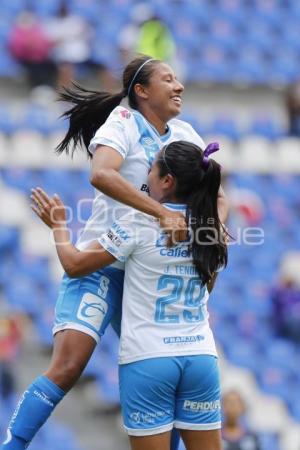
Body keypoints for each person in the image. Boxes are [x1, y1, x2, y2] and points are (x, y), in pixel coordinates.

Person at [0, 55, 228, 450]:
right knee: (68, 367)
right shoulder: (122, 124)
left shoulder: (186, 132)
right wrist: (161, 213)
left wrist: (213, 230)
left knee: (165, 365)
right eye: (169, 80)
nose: (180, 86)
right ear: (141, 91)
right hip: (103, 261)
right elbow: (100, 174)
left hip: (146, 268)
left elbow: (216, 193)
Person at [30, 140, 228, 450]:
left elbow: (75, 264)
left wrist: (58, 226)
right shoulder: (212, 226)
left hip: (148, 359)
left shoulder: (139, 220)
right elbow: (208, 286)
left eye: (151, 169)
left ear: (167, 181)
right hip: (200, 356)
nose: (145, 177)